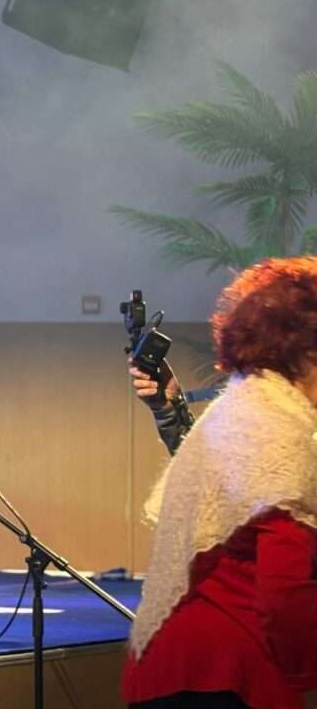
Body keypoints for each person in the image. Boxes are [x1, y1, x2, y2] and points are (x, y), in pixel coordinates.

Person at [123, 257, 317, 709]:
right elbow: (284, 583)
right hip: (227, 669)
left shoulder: (248, 408)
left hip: (173, 666)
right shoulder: (276, 423)